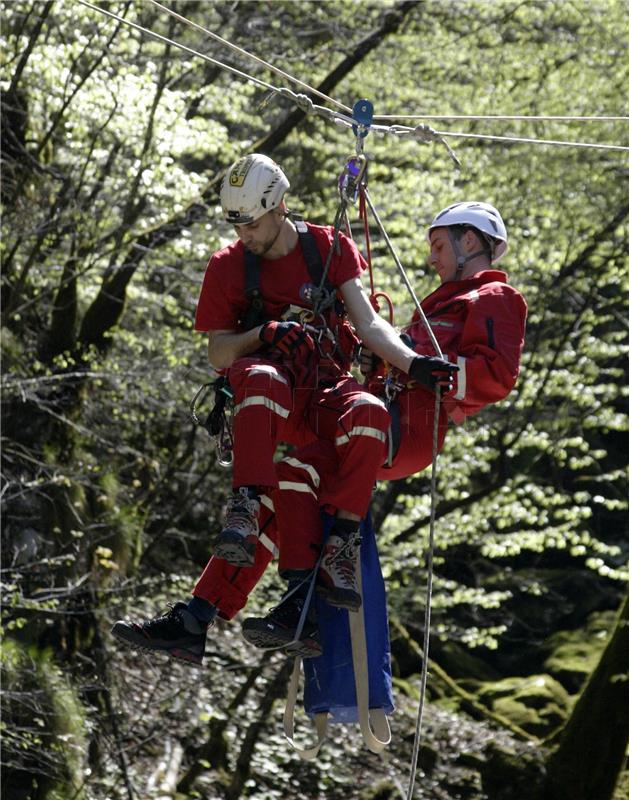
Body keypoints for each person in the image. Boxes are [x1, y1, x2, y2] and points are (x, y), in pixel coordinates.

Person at [111, 154, 455, 664]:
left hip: (324, 395)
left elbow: (367, 324)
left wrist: (413, 364)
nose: (245, 235)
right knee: (260, 380)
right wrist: (264, 333)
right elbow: (219, 355)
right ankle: (245, 512)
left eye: (251, 223)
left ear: (279, 206)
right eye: (237, 225)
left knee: (363, 417)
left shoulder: (327, 249)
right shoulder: (229, 266)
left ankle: (213, 613)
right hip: (271, 404)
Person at [239, 200, 528, 654]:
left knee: (297, 478)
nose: (432, 258)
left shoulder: (493, 298)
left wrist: (421, 367)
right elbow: (413, 363)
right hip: (385, 415)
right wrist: (383, 361)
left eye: (438, 246)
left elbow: (496, 376)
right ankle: (290, 609)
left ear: (468, 240)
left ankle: (315, 579)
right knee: (290, 479)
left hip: (405, 429)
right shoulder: (437, 305)